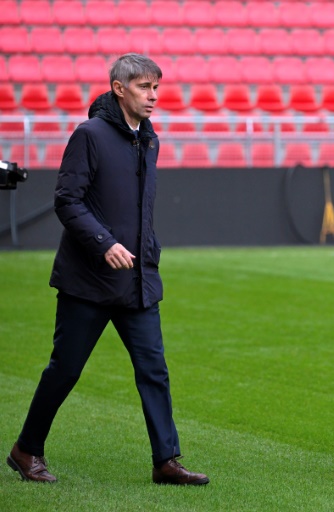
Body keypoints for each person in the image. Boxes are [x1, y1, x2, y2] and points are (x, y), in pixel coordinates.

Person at [6, 54, 208, 486]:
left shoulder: (149, 139)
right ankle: (26, 450)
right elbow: (67, 201)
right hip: (88, 281)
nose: (153, 96)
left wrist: (147, 249)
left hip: (138, 280)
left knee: (154, 370)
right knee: (66, 369)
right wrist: (104, 244)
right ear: (119, 88)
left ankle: (166, 461)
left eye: (156, 87)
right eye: (143, 87)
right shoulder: (89, 135)